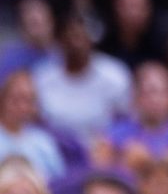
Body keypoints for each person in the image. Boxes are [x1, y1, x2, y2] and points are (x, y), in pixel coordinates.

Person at [33, 13, 131, 145]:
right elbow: (36, 123)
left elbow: (127, 121)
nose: (76, 43)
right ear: (60, 41)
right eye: (71, 36)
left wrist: (110, 140)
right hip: (56, 149)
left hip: (104, 151)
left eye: (81, 36)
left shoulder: (115, 75)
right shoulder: (42, 77)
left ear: (92, 40)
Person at [94, 62, 168, 173]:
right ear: (135, 97)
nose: (157, 99)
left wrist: (149, 160)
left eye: (164, 92)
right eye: (151, 92)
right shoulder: (113, 135)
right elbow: (99, 169)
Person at [0, 73, 64, 179]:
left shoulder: (43, 141)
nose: (22, 107)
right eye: (16, 100)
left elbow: (58, 181)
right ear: (2, 99)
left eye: (29, 101)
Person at [99, 0, 163, 69]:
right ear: (115, 7)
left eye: (140, 7)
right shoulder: (102, 49)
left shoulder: (159, 49)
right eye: (130, 6)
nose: (134, 14)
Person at [0, 0, 55, 83]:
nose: (38, 30)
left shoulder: (61, 55)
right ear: (22, 27)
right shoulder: (10, 58)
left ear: (51, 23)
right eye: (33, 23)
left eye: (40, 22)